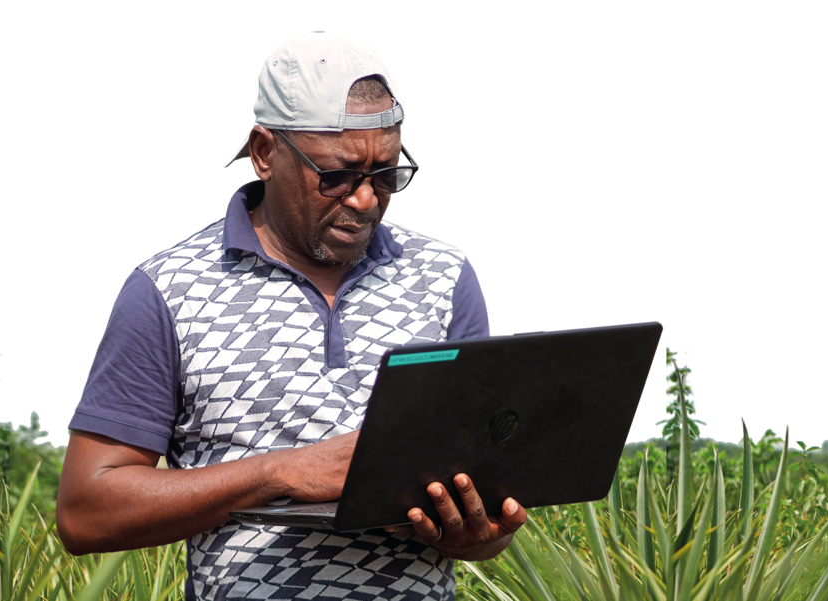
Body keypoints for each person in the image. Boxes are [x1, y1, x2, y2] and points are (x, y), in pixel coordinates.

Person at [54, 28, 529, 600]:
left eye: (389, 176)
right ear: (263, 154)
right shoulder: (164, 290)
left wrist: (474, 531)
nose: (365, 199)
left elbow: (478, 501)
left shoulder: (447, 276)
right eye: (337, 175)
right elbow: (87, 511)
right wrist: (279, 473)